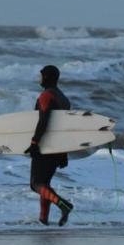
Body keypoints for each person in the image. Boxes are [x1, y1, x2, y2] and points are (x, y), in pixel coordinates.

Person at [25, 64, 74, 226]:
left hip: (45, 145)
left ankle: (63, 205)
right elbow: (65, 127)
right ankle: (43, 219)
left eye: (41, 75)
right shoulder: (64, 99)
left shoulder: (46, 95)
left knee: (36, 184)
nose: (39, 78)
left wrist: (34, 142)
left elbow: (43, 119)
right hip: (57, 147)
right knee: (44, 184)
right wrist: (64, 152)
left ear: (46, 77)